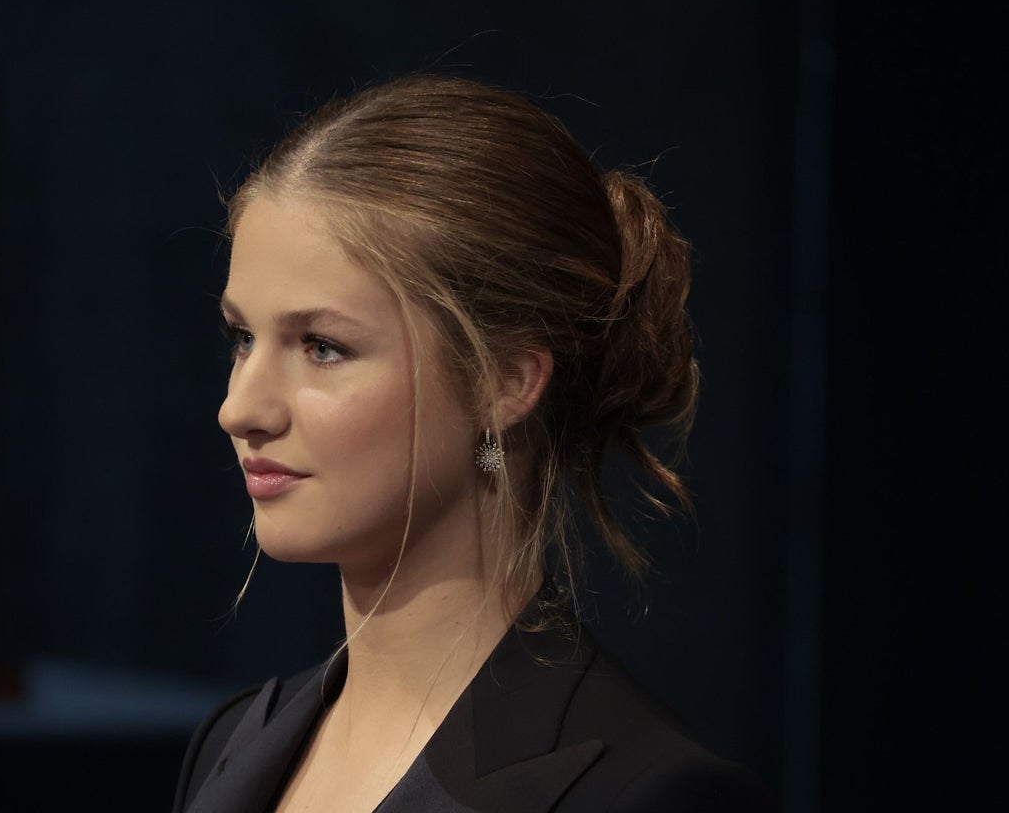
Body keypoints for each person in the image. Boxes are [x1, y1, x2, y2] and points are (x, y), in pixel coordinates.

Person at [174, 74, 773, 813]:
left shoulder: (645, 796)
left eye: (322, 346)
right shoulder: (232, 743)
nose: (241, 408)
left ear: (505, 382)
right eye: (242, 337)